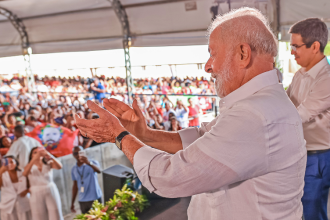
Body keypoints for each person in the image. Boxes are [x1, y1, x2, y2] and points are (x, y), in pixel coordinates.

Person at [75, 7, 306, 220]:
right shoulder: (257, 104)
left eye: (213, 53)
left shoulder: (255, 115)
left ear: (243, 54)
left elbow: (169, 177)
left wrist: (121, 136)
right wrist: (143, 133)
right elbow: (202, 137)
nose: (208, 66)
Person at [286, 18, 330, 220]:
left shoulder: (326, 79)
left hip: (318, 155)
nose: (292, 52)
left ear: (315, 46)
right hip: (300, 151)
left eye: (296, 46)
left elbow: (299, 115)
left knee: (311, 210)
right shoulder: (299, 75)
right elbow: (284, 104)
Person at [23, 147, 63, 220]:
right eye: (35, 152)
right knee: (38, 215)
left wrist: (49, 155)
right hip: (36, 191)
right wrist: (35, 158)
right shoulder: (29, 166)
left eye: (39, 152)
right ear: (31, 155)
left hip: (50, 188)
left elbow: (60, 166)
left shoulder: (48, 163)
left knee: (55, 212)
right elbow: (25, 173)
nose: (38, 154)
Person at [70, 146, 102, 214]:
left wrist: (88, 163)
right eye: (76, 153)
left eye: (80, 152)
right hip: (82, 200)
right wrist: (72, 202)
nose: (78, 155)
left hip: (95, 197)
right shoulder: (74, 169)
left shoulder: (92, 163)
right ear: (73, 155)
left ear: (84, 152)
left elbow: (99, 171)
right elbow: (75, 186)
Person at [0, 155, 32, 220]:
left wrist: (26, 191)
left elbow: (31, 185)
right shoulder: (2, 175)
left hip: (23, 203)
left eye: (11, 162)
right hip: (7, 205)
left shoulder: (23, 173)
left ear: (16, 163)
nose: (9, 164)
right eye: (7, 162)